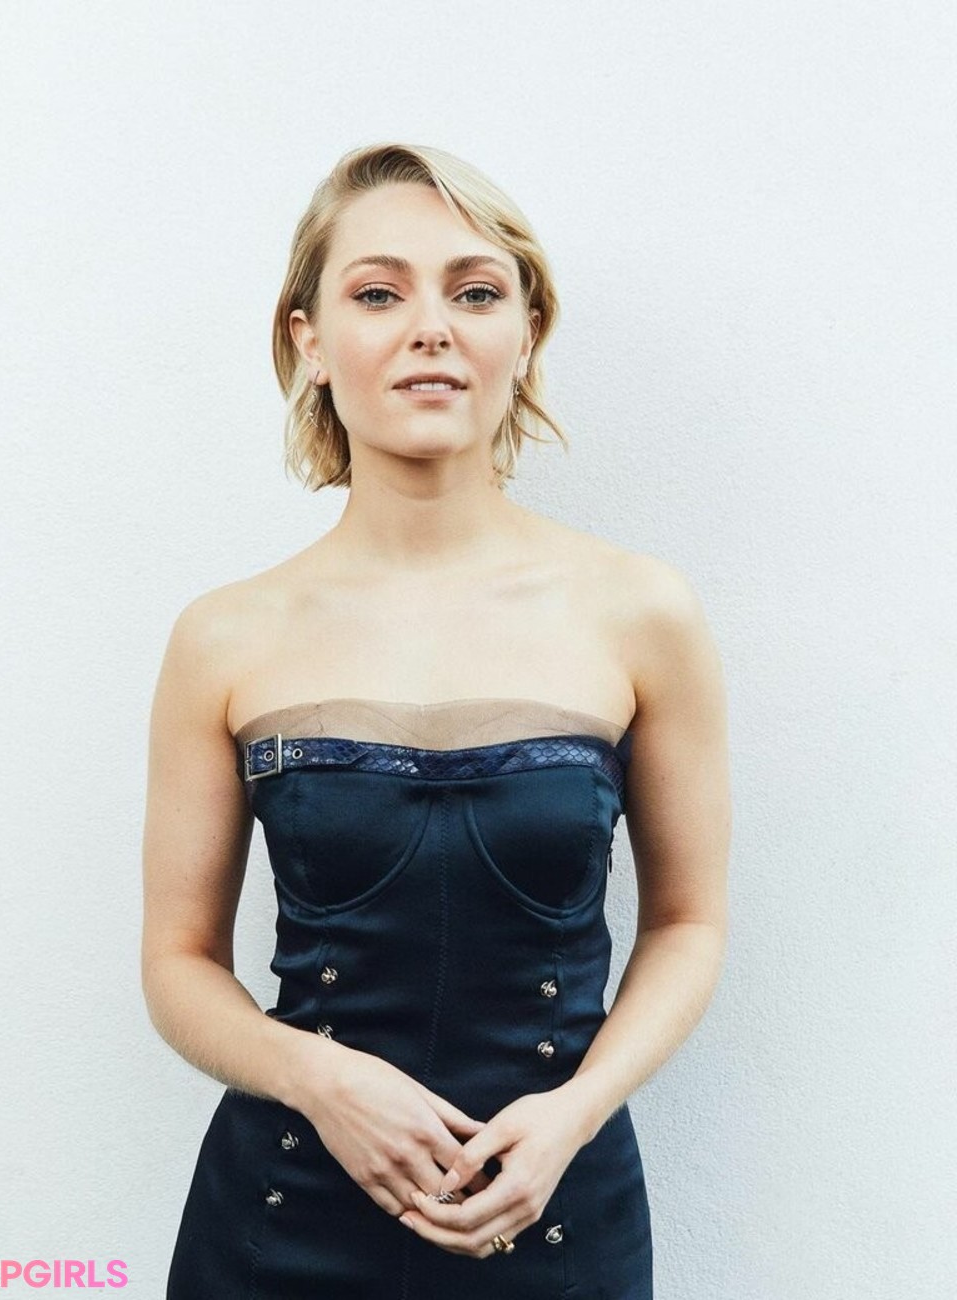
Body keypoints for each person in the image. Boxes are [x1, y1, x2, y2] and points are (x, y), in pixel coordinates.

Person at [142, 142, 731, 1299]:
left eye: (474, 292)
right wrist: (319, 1080)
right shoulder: (224, 635)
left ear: (526, 332)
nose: (431, 329)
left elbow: (689, 921)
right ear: (310, 339)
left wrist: (575, 1114)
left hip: (555, 1209)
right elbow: (176, 963)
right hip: (280, 1216)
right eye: (378, 293)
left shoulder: (640, 612)